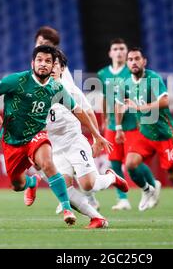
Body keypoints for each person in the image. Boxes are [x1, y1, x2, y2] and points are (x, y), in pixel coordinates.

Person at [0, 45, 111, 226]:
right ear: (33, 63)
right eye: (40, 60)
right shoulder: (18, 80)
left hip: (36, 136)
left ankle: (66, 208)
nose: (43, 64)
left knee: (47, 162)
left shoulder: (56, 88)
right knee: (16, 185)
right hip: (12, 139)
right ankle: (31, 182)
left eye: (48, 61)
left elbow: (78, 111)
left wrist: (96, 134)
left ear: (53, 66)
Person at [47, 50, 128, 228]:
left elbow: (88, 111)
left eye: (55, 64)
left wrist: (96, 137)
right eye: (48, 63)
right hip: (55, 148)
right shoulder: (37, 91)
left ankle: (111, 178)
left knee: (88, 185)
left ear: (62, 68)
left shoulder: (69, 89)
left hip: (74, 142)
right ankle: (97, 218)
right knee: (64, 189)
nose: (51, 67)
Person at [115, 47, 173, 216]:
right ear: (127, 63)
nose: (134, 62)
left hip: (164, 134)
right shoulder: (125, 83)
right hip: (144, 134)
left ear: (144, 61)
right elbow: (118, 104)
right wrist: (119, 128)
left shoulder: (153, 78)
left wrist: (141, 107)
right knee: (129, 164)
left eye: (137, 58)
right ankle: (147, 189)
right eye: (130, 59)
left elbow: (165, 101)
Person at [33, 26, 100, 210]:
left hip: (68, 128)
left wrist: (95, 136)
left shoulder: (60, 73)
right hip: (53, 133)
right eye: (39, 43)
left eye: (45, 44)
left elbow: (81, 106)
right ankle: (73, 198)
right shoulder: (38, 69)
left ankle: (88, 195)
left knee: (85, 180)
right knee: (56, 174)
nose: (41, 46)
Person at [97, 38, 156, 211]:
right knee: (114, 160)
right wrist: (104, 119)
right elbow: (104, 97)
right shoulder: (102, 74)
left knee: (133, 160)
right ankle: (123, 198)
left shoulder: (131, 71)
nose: (119, 51)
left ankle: (152, 185)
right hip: (112, 122)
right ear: (110, 53)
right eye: (115, 48)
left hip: (132, 122)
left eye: (122, 48)